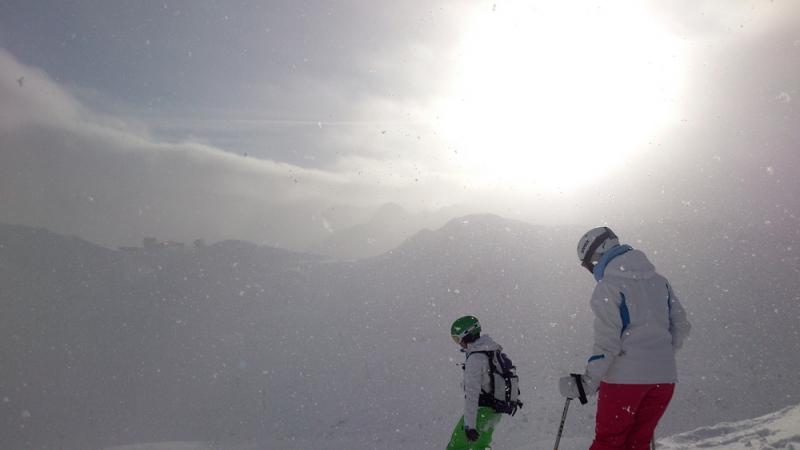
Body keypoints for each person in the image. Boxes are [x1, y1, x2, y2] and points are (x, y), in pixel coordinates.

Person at [559, 227, 691, 450]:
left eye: (590, 264)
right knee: (638, 443)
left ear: (599, 253)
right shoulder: (660, 282)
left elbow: (607, 344)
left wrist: (587, 383)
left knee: (608, 443)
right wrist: (658, 356)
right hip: (663, 381)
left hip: (624, 382)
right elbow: (682, 326)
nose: (592, 270)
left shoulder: (608, 287)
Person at [446, 315, 503, 450]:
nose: (458, 343)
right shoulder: (491, 351)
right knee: (479, 447)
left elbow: (472, 395)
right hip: (495, 411)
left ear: (467, 335)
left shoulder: (475, 360)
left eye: (457, 339)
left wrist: (469, 426)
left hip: (480, 412)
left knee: (456, 447)